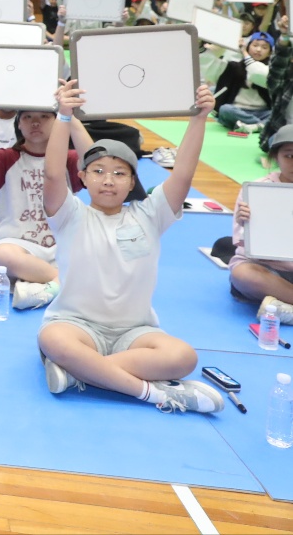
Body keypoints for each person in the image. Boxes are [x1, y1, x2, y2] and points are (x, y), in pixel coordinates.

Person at [37, 80, 225, 414]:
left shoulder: (150, 214)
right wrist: (63, 117)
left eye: (119, 173)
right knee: (53, 340)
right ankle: (156, 395)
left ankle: (82, 374)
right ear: (82, 177)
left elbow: (182, 174)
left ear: (132, 181)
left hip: (135, 332)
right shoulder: (70, 214)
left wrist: (200, 117)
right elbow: (52, 176)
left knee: (184, 357)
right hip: (76, 325)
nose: (108, 179)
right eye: (98, 171)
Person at [0, 83, 96, 309]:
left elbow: (94, 162)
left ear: (57, 120)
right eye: (27, 117)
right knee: (1, 255)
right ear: (18, 124)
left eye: (44, 116)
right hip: (18, 244)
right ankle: (63, 282)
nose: (35, 122)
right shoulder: (8, 158)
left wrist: (69, 114)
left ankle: (43, 285)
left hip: (61, 244)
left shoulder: (67, 158)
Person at [229, 124, 293, 324]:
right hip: (267, 270)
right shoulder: (258, 189)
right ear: (275, 157)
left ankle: (283, 306)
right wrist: (243, 221)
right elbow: (244, 245)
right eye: (289, 156)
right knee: (243, 274)